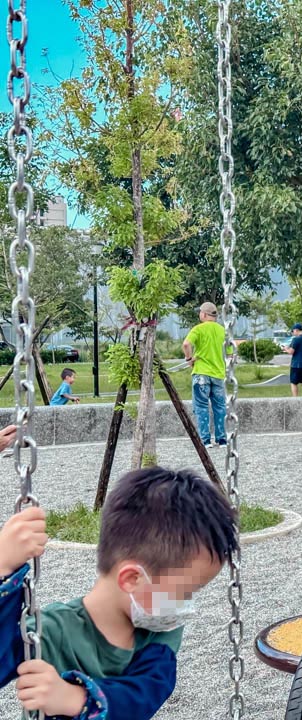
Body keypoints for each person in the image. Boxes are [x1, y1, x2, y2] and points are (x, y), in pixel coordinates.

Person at [0, 466, 239, 719]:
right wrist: (4, 571)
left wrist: (76, 699)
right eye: (184, 592)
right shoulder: (50, 632)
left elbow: (147, 692)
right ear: (132, 578)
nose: (187, 606)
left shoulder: (160, 633)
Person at [182, 301, 227, 449]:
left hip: (201, 373)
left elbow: (186, 344)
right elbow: (231, 351)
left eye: (200, 312)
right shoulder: (223, 330)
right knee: (219, 407)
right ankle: (222, 440)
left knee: (201, 406)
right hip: (218, 374)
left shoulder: (198, 329)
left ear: (204, 314)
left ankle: (205, 441)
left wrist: (189, 359)